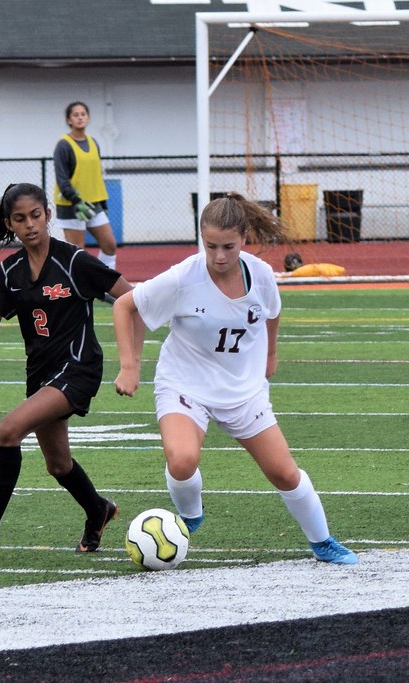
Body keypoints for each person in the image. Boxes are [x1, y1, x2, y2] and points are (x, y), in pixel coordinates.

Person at [111, 193, 359, 565]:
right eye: (211, 246)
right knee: (181, 461)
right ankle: (191, 518)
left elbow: (272, 311)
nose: (220, 256)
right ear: (201, 239)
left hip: (244, 390)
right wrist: (130, 366)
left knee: (284, 473)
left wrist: (271, 353)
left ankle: (323, 542)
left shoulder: (259, 274)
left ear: (244, 238)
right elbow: (124, 304)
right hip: (185, 383)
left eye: (228, 246)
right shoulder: (183, 278)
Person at [0, 182, 134, 555]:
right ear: (9, 224)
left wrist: (132, 359)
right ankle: (98, 510)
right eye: (20, 219)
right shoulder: (9, 271)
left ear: (48, 215)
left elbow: (130, 296)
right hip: (43, 375)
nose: (30, 224)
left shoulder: (74, 260)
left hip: (79, 368)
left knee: (8, 430)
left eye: (36, 215)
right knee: (58, 465)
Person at [53, 101, 118, 270]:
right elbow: (62, 179)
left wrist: (102, 202)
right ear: (69, 120)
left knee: (110, 245)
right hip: (72, 205)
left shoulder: (93, 142)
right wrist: (76, 200)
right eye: (75, 115)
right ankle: (77, 291)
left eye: (83, 114)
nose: (80, 117)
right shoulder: (64, 145)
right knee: (77, 253)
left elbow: (96, 175)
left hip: (92, 204)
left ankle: (105, 284)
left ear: (88, 118)